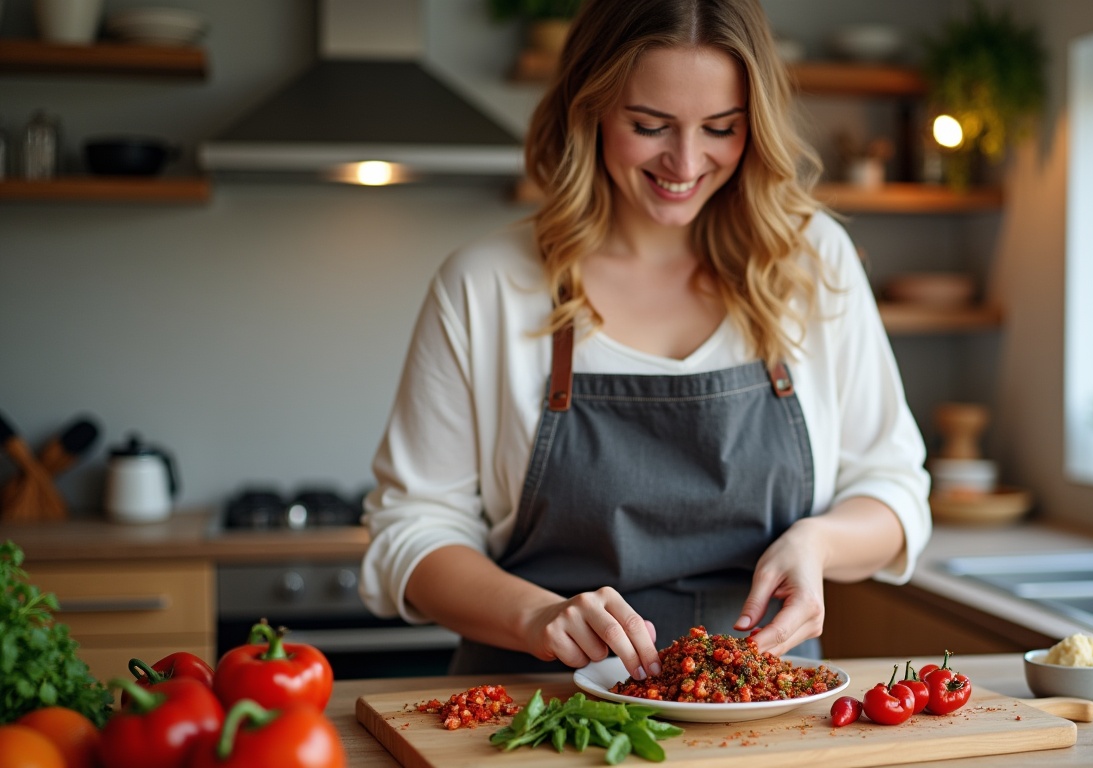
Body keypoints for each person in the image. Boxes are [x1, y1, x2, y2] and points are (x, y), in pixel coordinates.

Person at [360, 0, 931, 679]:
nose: (685, 162)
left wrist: (819, 544)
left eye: (721, 128)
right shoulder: (485, 284)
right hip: (537, 707)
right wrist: (537, 617)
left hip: (762, 707)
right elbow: (412, 530)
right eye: (649, 125)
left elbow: (893, 488)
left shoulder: (810, 262)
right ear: (589, 109)